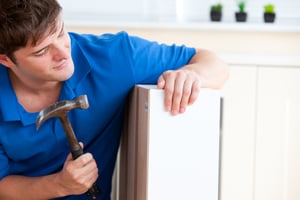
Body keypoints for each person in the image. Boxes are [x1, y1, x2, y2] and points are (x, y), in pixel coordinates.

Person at [0, 0, 229, 199]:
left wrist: (193, 75)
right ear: (6, 60)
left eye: (60, 32)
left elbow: (214, 64)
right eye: (42, 51)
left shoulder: (114, 57)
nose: (62, 53)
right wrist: (59, 185)